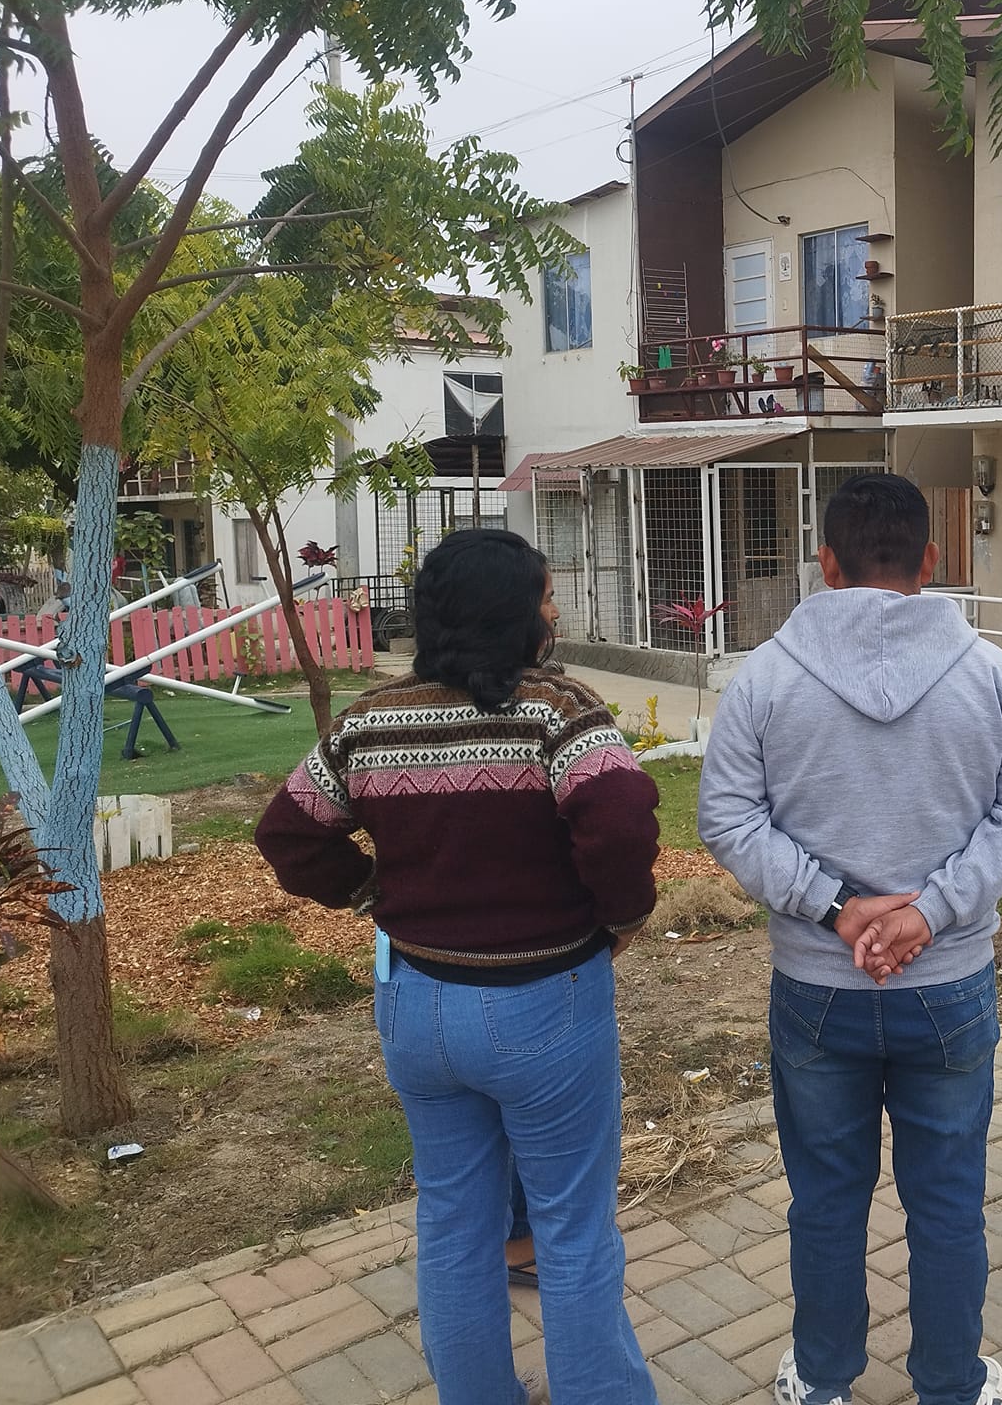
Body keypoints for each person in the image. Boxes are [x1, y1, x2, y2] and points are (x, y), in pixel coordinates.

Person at [256, 529, 661, 1405]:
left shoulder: (371, 719)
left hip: (418, 1008)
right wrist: (621, 916)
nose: (555, 613)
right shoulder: (557, 711)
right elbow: (622, 818)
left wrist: (372, 895)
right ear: (517, 614)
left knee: (452, 1225)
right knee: (573, 1232)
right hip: (546, 1008)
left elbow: (287, 831)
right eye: (547, 598)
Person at [698, 473, 1002, 1405]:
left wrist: (835, 908)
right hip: (950, 985)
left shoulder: (764, 676)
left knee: (825, 1200)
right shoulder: (991, 674)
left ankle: (822, 1380)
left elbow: (727, 818)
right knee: (948, 1201)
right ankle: (951, 1383)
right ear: (931, 560)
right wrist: (930, 912)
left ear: (826, 563)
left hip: (818, 988)